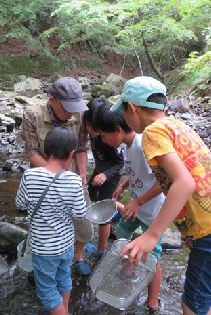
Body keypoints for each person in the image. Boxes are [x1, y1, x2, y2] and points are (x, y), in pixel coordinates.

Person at [111, 76, 211, 315]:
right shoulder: (176, 125)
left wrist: (152, 235)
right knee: (199, 302)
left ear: (132, 107)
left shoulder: (152, 133)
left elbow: (184, 182)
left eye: (123, 111)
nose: (124, 119)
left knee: (191, 307)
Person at [92, 104, 165, 312]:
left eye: (104, 136)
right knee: (122, 233)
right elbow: (135, 173)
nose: (103, 141)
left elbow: (165, 181)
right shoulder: (128, 146)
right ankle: (127, 269)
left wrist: (139, 201)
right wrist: (123, 186)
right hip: (136, 207)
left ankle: (152, 302)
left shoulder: (144, 146)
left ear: (117, 129)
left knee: (152, 256)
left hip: (153, 214)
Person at [20, 77, 93, 276]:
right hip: (42, 176)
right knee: (47, 224)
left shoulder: (80, 113)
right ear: (52, 100)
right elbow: (32, 152)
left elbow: (80, 148)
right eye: (67, 107)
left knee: (84, 222)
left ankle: (78, 256)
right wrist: (53, 176)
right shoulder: (32, 114)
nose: (71, 112)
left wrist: (82, 176)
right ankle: (43, 258)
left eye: (74, 107)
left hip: (73, 178)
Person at [16, 126, 87, 315]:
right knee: (64, 278)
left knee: (47, 289)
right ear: (71, 154)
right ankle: (64, 310)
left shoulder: (29, 176)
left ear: (46, 150)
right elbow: (80, 214)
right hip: (66, 245)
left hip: (43, 248)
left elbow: (20, 203)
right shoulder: (73, 180)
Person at [82, 97, 124, 257]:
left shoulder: (107, 138)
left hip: (110, 174)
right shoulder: (92, 132)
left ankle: (101, 250)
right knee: (92, 194)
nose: (92, 132)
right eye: (89, 126)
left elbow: (120, 163)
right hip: (100, 169)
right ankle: (117, 208)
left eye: (96, 128)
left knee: (103, 212)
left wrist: (106, 175)